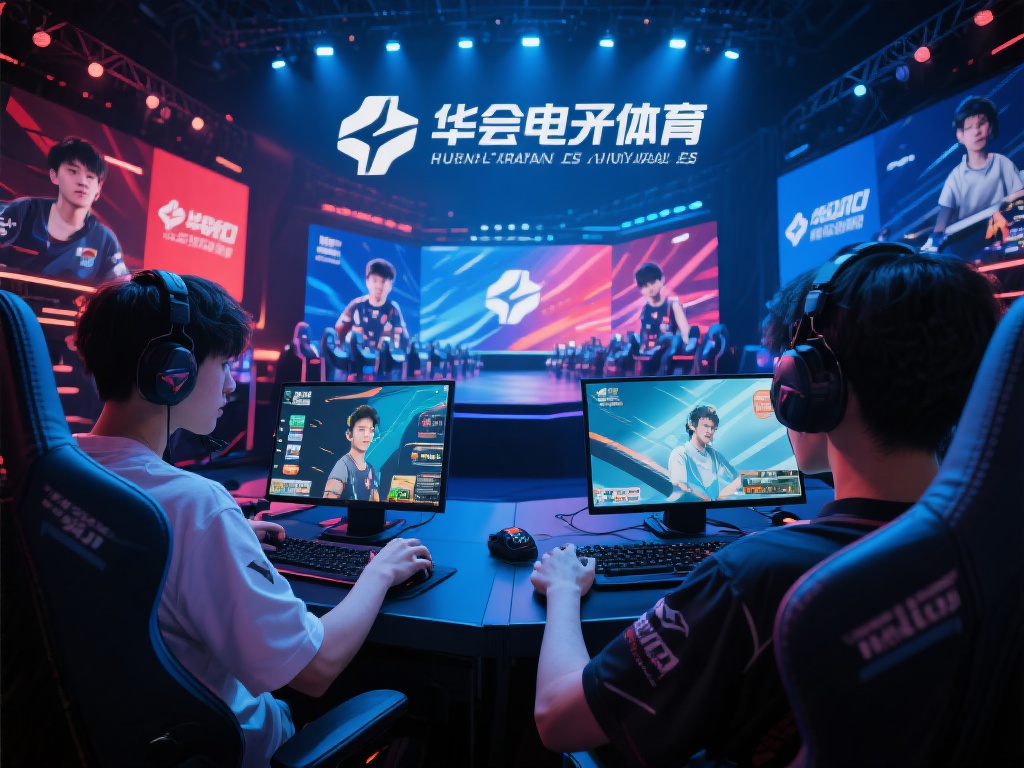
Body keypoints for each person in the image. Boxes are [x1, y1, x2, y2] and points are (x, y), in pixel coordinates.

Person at [531, 244, 1001, 767]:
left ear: (808, 387)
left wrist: (565, 590)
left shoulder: (753, 575)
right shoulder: (998, 548)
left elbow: (557, 716)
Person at [73, 272, 432, 767]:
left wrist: (228, 541)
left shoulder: (54, 474)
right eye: (223, 364)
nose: (231, 383)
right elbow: (316, 669)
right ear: (172, 371)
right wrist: (380, 572)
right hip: (231, 747)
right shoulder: (197, 507)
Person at [0, 136, 128, 283]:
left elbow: (120, 287)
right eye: (73, 171)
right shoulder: (23, 212)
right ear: (54, 175)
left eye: (90, 176)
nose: (83, 182)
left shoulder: (105, 240)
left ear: (98, 189)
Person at [926, 96, 1024, 250]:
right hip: (967, 248)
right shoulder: (956, 177)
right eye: (969, 127)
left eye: (981, 124)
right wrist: (935, 239)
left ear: (990, 128)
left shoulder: (1002, 164)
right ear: (960, 135)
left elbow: (1019, 197)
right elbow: (945, 214)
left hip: (1002, 240)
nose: (976, 132)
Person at [667, 405, 741, 501]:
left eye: (713, 428)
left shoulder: (713, 454)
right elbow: (681, 489)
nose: (709, 431)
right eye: (705, 426)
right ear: (693, 426)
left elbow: (735, 478)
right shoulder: (680, 453)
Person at [333, 258, 409, 351]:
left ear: (390, 286)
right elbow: (339, 330)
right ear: (367, 282)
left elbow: (403, 340)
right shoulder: (356, 305)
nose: (378, 286)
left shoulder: (393, 309)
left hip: (382, 357)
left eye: (383, 281)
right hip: (356, 355)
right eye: (375, 280)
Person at [633, 262, 690, 374]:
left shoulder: (673, 305)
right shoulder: (643, 310)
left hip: (669, 357)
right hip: (648, 357)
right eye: (645, 285)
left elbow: (685, 333)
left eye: (653, 283)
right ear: (641, 289)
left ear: (661, 280)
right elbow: (641, 334)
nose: (650, 288)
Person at [324, 404, 381, 501]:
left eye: (371, 430)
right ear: (349, 434)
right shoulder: (343, 466)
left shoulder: (371, 469)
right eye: (361, 429)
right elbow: (328, 504)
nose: (367, 435)